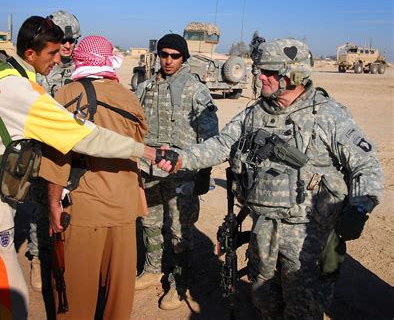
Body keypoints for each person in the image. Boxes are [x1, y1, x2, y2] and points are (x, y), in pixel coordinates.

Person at [0, 16, 159, 318]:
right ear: (31, 54)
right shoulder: (24, 93)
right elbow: (82, 137)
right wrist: (143, 150)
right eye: (53, 54)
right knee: (8, 301)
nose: (59, 60)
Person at [162, 38, 384, 319]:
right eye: (259, 70)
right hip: (264, 227)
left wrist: (359, 209)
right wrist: (182, 158)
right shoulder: (256, 113)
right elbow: (221, 144)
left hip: (308, 236)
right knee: (263, 297)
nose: (260, 77)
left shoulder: (327, 115)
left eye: (268, 72)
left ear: (293, 75)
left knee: (303, 306)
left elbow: (367, 165)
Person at [39, 35, 148, 319]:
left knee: (75, 295)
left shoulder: (67, 94)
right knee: (118, 297)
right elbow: (136, 151)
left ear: (80, 58)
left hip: (85, 210)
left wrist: (53, 205)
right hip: (124, 210)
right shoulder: (129, 96)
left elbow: (56, 159)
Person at [134, 33, 219, 310]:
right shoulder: (146, 87)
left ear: (184, 58)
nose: (168, 60)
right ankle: (152, 269)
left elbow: (210, 136)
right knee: (149, 223)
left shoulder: (196, 90)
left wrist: (203, 173)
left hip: (181, 174)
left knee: (180, 230)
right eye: (164, 54)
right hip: (149, 170)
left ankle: (179, 283)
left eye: (175, 55)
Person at [27, 10, 81, 292]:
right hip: (40, 153)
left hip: (72, 155)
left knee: (70, 208)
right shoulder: (39, 69)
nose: (68, 45)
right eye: (63, 40)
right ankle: (37, 257)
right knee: (39, 209)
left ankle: (67, 260)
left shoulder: (81, 71)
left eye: (72, 40)